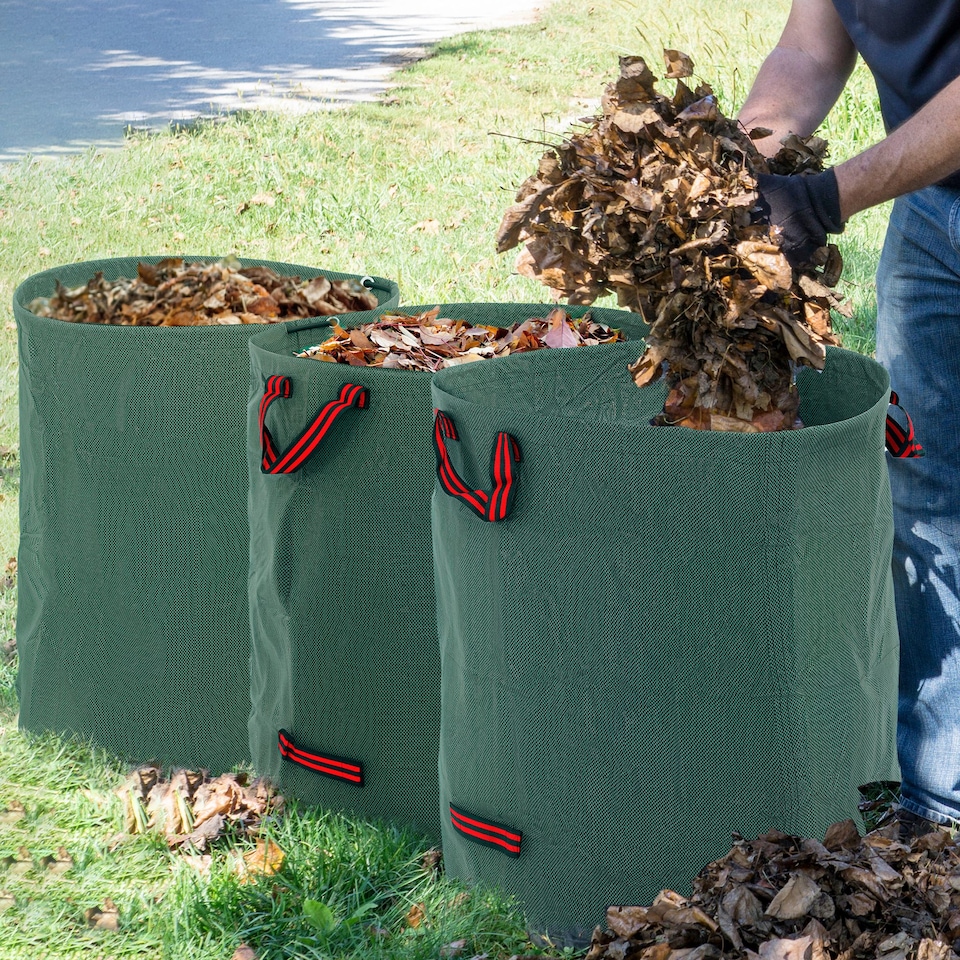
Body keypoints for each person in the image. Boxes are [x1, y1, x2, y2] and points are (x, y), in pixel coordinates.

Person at [738, 0, 960, 835]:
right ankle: (937, 816)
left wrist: (827, 198)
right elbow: (809, 48)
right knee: (929, 497)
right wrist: (735, 175)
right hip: (936, 210)